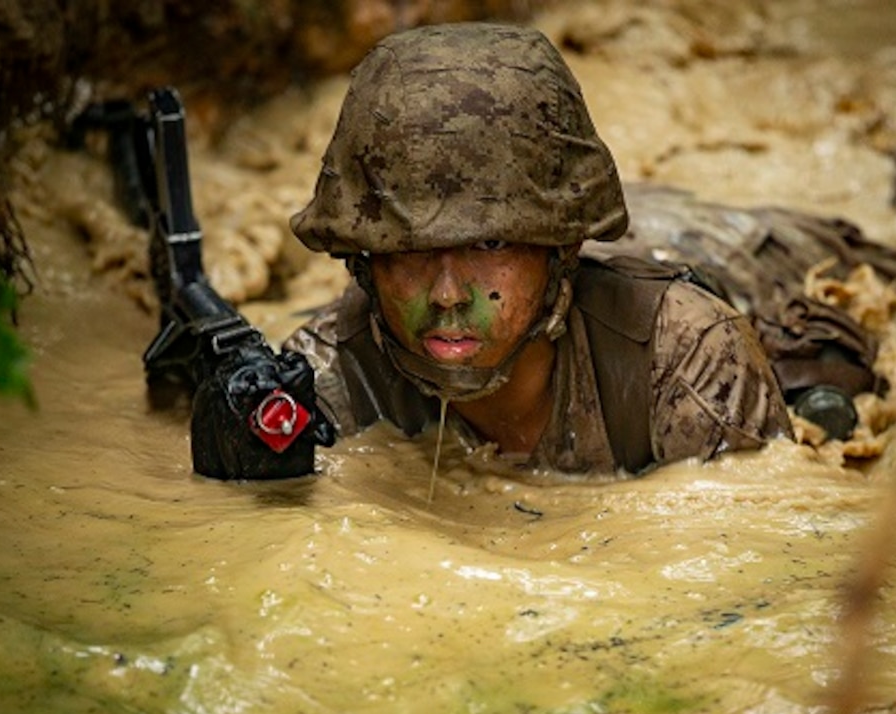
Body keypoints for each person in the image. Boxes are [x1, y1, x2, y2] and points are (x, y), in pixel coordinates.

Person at [280, 22, 793, 476]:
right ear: (365, 262)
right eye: (409, 252)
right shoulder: (324, 379)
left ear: (561, 249)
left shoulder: (686, 356)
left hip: (732, 253)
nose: (447, 295)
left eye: (490, 244)